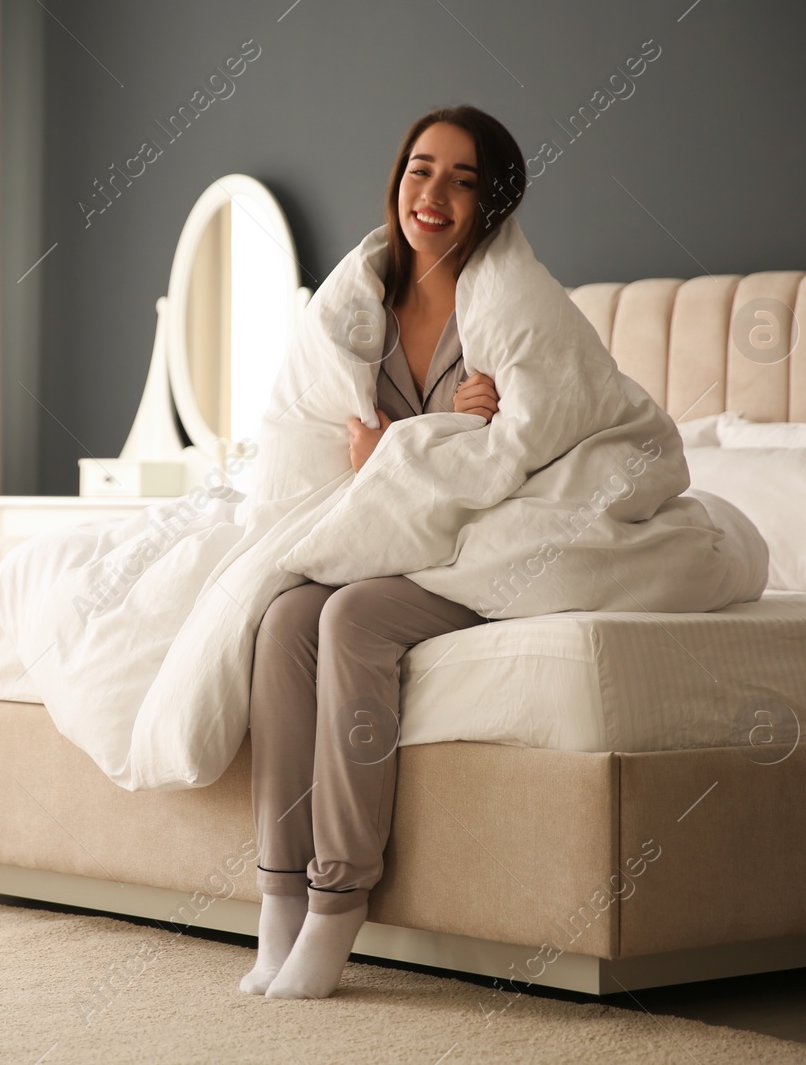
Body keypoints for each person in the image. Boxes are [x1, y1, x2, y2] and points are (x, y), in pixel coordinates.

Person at [244, 105, 527, 999]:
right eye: (420, 168)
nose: (433, 192)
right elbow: (327, 438)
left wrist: (420, 446)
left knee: (354, 614)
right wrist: (418, 443)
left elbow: (532, 454)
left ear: (493, 201)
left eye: (463, 177)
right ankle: (278, 899)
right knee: (288, 614)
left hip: (473, 555)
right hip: (373, 544)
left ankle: (337, 906)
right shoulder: (357, 307)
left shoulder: (509, 317)